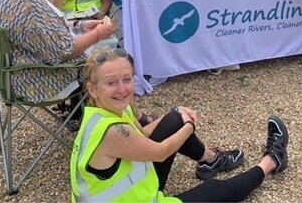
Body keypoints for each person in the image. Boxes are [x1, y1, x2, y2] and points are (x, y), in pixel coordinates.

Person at [70, 47, 289, 202]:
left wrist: (176, 115)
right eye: (111, 82)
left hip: (135, 194)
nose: (122, 89)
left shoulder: (107, 111)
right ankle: (271, 161)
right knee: (214, 191)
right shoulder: (111, 132)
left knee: (174, 119)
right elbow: (160, 152)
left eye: (126, 79)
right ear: (92, 89)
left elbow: (140, 136)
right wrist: (189, 126)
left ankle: (209, 160)